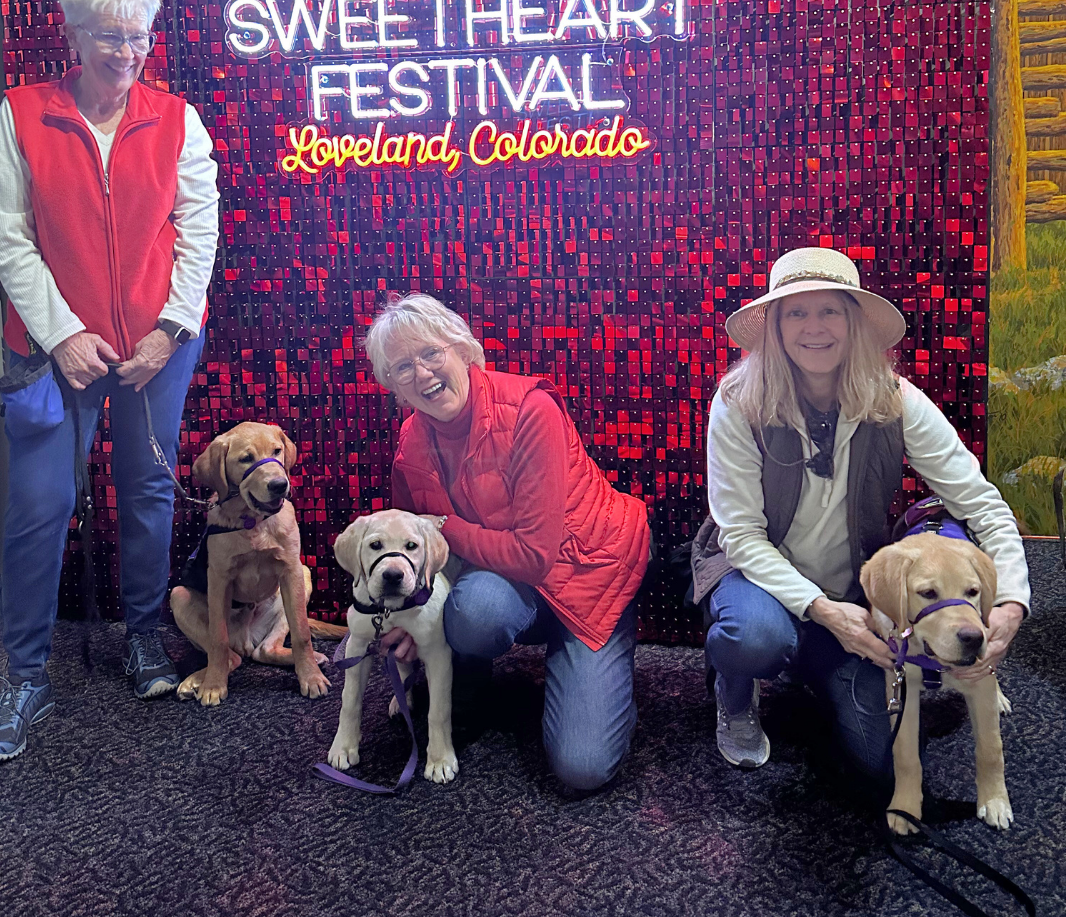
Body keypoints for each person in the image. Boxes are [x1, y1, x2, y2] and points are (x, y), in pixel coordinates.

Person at [0, 0, 220, 762]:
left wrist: (169, 332)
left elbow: (199, 233)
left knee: (149, 491)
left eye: (139, 37)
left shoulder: (176, 118)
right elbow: (8, 237)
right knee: (39, 509)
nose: (127, 54)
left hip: (157, 346)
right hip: (50, 352)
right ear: (75, 35)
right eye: (110, 38)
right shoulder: (23, 114)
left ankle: (145, 638)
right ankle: (24, 676)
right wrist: (62, 334)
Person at [690, 247, 1029, 791]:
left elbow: (981, 505)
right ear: (775, 326)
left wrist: (1011, 600)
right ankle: (738, 686)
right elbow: (743, 536)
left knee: (881, 769)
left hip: (850, 585)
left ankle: (814, 667)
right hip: (754, 576)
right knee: (752, 636)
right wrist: (824, 612)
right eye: (796, 312)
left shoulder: (897, 399)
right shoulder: (738, 401)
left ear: (853, 322)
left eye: (830, 311)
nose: (814, 328)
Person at [363, 292, 651, 791]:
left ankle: (606, 672)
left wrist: (446, 526)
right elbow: (415, 557)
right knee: (476, 613)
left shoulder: (530, 409)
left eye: (432, 353)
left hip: (587, 573)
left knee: (582, 768)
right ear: (392, 385)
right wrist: (412, 621)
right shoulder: (410, 442)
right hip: (505, 582)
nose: (424, 373)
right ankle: (469, 682)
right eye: (403, 367)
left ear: (462, 348)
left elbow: (533, 556)